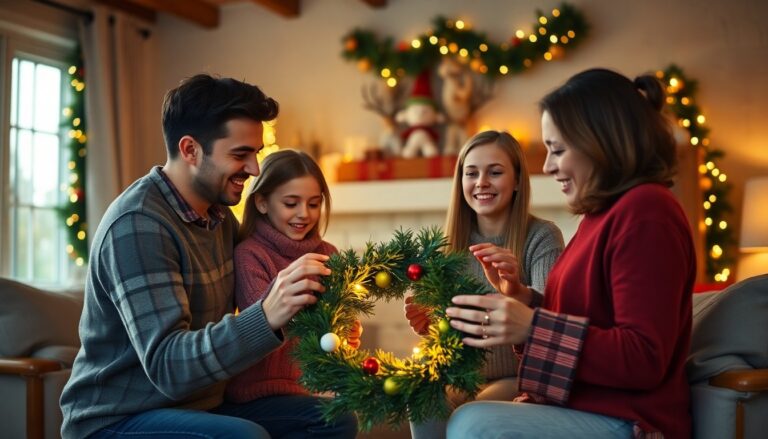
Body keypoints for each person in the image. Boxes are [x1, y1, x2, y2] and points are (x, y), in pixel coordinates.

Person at [59, 74, 355, 439]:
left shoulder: (218, 217)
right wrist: (266, 315)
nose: (254, 169)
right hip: (119, 418)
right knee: (243, 437)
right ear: (190, 150)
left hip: (203, 404)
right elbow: (169, 367)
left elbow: (267, 258)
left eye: (256, 153)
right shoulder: (138, 225)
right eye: (240, 154)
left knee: (332, 418)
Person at [445, 68, 696, 439]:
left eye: (558, 150)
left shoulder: (646, 212)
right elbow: (588, 317)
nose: (548, 166)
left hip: (630, 420)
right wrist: (523, 298)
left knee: (474, 423)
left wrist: (532, 325)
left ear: (601, 142)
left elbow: (644, 357)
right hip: (581, 407)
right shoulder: (600, 216)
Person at [405, 130, 565, 439]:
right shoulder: (446, 245)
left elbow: (552, 318)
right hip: (460, 375)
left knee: (474, 413)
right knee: (422, 396)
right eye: (471, 173)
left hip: (518, 378)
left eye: (495, 172)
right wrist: (429, 323)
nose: (481, 182)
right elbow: (446, 329)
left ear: (517, 181)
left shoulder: (542, 237)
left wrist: (516, 291)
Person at [224, 149, 358, 437]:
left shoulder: (329, 254)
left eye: (314, 203)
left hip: (310, 390)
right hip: (258, 396)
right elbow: (264, 329)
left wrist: (345, 334)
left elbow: (340, 326)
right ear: (262, 202)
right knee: (339, 420)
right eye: (290, 203)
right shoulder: (250, 255)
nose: (304, 214)